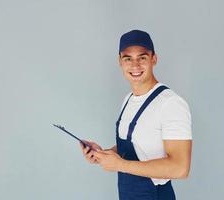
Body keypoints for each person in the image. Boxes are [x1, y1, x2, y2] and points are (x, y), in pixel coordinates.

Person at [80, 29, 192, 200]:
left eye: (142, 57)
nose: (135, 65)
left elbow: (180, 168)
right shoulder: (129, 99)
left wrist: (121, 165)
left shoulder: (170, 103)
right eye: (128, 58)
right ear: (120, 62)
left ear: (154, 59)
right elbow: (140, 144)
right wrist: (103, 155)